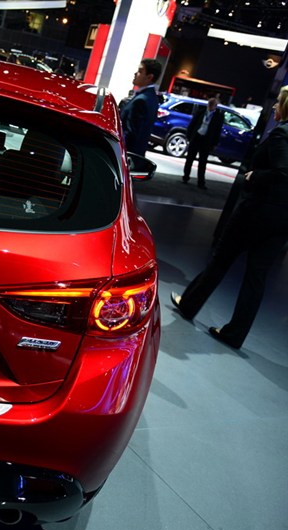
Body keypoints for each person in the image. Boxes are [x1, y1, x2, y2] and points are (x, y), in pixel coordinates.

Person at [171, 85, 288, 350]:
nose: (274, 106)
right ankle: (234, 334)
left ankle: (189, 304)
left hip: (257, 212)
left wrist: (254, 176)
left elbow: (282, 172)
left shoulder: (281, 133)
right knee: (256, 277)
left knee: (221, 259)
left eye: (278, 102)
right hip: (282, 219)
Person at [119, 58, 162, 156]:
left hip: (127, 155)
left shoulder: (141, 100)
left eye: (140, 71)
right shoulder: (152, 97)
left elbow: (129, 134)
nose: (135, 73)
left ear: (149, 77)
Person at [182, 96, 224, 190]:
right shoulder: (201, 112)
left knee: (203, 162)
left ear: (215, 106)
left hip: (206, 140)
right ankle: (186, 177)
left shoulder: (218, 116)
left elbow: (218, 131)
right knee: (190, 158)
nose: (211, 106)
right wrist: (188, 136)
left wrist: (214, 143)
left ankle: (201, 182)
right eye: (210, 104)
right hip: (196, 136)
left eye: (213, 105)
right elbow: (192, 124)